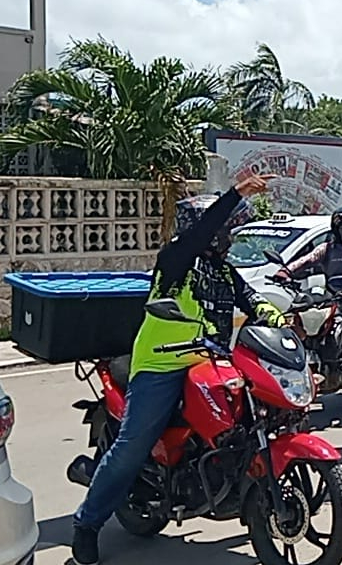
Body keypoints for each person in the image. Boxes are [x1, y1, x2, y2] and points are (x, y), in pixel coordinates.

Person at [72, 174, 281, 565]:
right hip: (162, 362)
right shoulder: (176, 262)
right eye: (225, 231)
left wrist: (285, 324)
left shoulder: (223, 273)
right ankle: (87, 524)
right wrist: (235, 194)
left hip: (210, 363)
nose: (228, 239)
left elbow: (255, 302)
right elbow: (200, 234)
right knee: (132, 447)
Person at [272, 205, 342, 283]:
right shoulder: (327, 248)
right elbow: (306, 260)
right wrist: (286, 271)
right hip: (331, 295)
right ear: (336, 230)